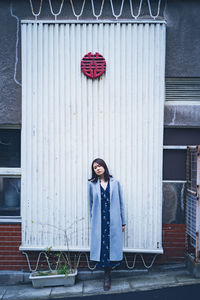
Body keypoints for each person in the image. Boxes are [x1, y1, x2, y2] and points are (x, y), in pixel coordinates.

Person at [88, 158, 126, 291]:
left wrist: (123, 221)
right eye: (95, 167)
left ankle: (109, 274)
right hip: (100, 222)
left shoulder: (115, 183)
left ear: (104, 167)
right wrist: (92, 220)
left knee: (111, 247)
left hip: (113, 221)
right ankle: (106, 276)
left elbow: (121, 203)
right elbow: (90, 205)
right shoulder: (92, 185)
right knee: (102, 248)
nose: (97, 169)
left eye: (99, 166)